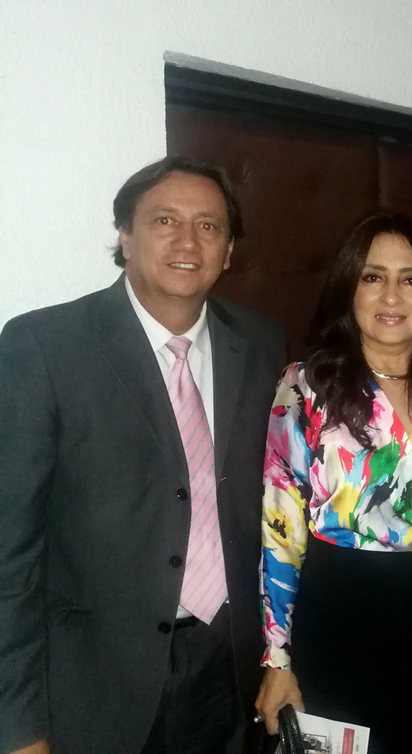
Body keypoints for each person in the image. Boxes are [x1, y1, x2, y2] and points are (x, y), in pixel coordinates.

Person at [0, 156, 286, 754]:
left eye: (208, 226)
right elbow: (10, 555)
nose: (188, 241)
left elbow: (277, 501)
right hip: (94, 682)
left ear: (228, 250)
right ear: (125, 236)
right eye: (164, 220)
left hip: (229, 664)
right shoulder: (43, 347)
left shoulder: (261, 341)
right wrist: (19, 727)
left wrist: (279, 654)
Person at [254, 211, 412, 754]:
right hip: (341, 615)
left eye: (411, 279)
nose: (391, 296)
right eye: (372, 276)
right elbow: (279, 524)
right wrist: (277, 658)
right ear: (349, 289)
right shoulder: (307, 386)